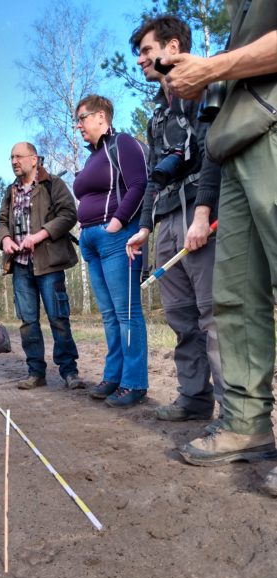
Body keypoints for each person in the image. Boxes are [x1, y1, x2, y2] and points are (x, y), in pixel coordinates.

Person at [161, 2, 277, 480]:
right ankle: (248, 424)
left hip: (271, 129)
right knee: (234, 299)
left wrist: (212, 67)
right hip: (234, 148)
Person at [126, 15, 223, 422]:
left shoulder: (204, 88)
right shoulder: (156, 116)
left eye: (147, 51)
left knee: (214, 314)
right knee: (181, 316)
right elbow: (152, 175)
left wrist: (203, 213)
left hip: (202, 216)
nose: (140, 60)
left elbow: (214, 150)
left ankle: (236, 416)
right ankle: (194, 398)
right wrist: (145, 227)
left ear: (173, 48)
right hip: (167, 220)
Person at [72, 95, 148, 407]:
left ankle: (134, 382)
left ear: (101, 116)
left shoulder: (123, 143)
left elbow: (139, 184)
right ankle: (113, 376)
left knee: (126, 312)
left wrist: (117, 223)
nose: (78, 126)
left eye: (82, 118)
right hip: (90, 241)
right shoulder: (92, 158)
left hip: (115, 236)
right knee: (108, 315)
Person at [0, 142, 85, 390]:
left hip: (49, 263)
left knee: (58, 318)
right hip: (21, 266)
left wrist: (39, 236)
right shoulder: (10, 191)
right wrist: (5, 239)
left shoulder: (53, 184)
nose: (14, 161)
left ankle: (70, 372)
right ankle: (36, 372)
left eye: (18, 156)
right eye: (11, 157)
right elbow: (2, 221)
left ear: (34, 159)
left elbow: (69, 215)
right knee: (28, 322)